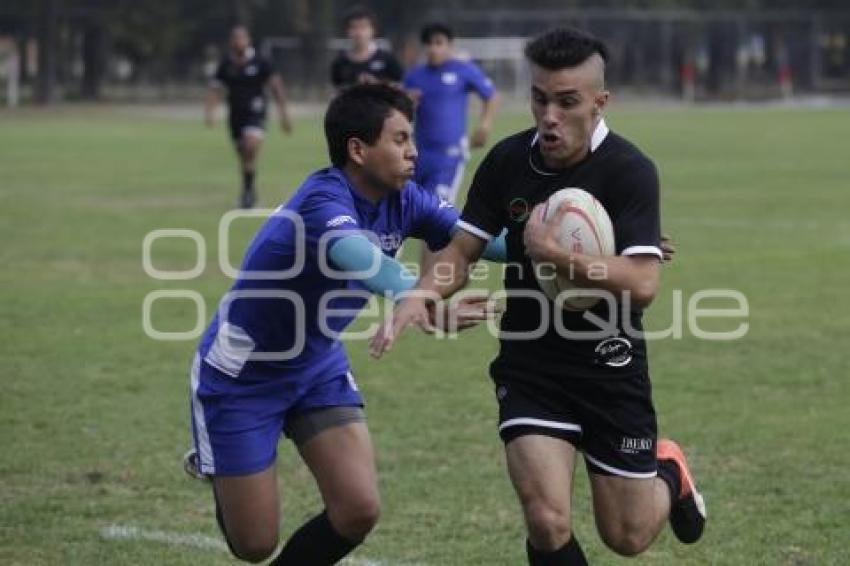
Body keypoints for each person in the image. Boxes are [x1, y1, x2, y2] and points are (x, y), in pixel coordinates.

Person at [370, 28, 704, 565]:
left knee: (627, 535)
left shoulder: (628, 169)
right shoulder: (505, 163)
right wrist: (420, 293)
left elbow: (643, 284)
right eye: (540, 98)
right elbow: (461, 250)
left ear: (599, 103)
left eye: (567, 102)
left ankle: (670, 471)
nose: (549, 115)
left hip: (608, 363)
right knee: (546, 521)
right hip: (530, 365)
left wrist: (557, 254)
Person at [185, 83, 505, 565]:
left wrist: (565, 248)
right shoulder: (321, 203)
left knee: (358, 509)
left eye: (411, 139)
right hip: (243, 374)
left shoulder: (406, 198)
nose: (414, 152)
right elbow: (366, 261)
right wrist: (421, 298)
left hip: (316, 365)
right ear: (358, 149)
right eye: (399, 140)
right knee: (254, 545)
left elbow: (479, 239)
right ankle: (219, 465)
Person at [403, 22, 499, 265]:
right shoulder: (415, 76)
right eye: (430, 44)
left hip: (448, 158)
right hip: (416, 156)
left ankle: (428, 286)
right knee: (402, 211)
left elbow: (492, 96)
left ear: (449, 45)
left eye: (439, 43)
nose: (434, 49)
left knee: (434, 216)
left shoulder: (462, 70)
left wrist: (484, 126)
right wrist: (407, 104)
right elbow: (400, 112)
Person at [205, 25, 293, 209]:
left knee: (250, 145)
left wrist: (284, 114)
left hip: (256, 113)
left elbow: (276, 86)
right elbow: (215, 88)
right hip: (235, 116)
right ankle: (248, 192)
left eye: (242, 38)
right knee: (245, 158)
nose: (238, 42)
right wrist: (210, 111)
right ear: (231, 42)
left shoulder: (261, 61)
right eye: (235, 38)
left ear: (248, 40)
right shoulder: (226, 64)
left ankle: (247, 194)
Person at [330, 5, 404, 89]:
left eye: (363, 27)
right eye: (354, 27)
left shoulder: (387, 59)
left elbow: (400, 86)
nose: (359, 33)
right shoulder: (340, 63)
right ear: (347, 31)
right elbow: (337, 91)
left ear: (373, 30)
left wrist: (377, 84)